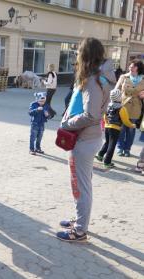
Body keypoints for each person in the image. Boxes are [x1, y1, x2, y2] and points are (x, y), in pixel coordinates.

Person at [58, 38, 116, 242]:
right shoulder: (101, 76)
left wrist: (67, 124)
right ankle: (79, 219)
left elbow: (91, 115)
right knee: (83, 183)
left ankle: (80, 230)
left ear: (86, 55)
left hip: (84, 139)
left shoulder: (93, 80)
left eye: (79, 52)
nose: (77, 55)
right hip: (90, 137)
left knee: (81, 185)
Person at [95, 89, 135, 168]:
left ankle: (100, 155)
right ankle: (107, 162)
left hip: (107, 127)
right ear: (120, 98)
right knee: (112, 145)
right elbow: (125, 120)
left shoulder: (108, 106)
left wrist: (106, 124)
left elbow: (104, 116)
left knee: (107, 142)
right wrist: (132, 125)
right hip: (115, 128)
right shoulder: (122, 108)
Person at [115, 59, 144, 157]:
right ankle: (120, 147)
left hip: (136, 108)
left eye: (133, 66)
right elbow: (116, 91)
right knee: (121, 128)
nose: (130, 68)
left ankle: (127, 148)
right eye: (130, 66)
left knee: (131, 130)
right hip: (123, 106)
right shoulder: (123, 77)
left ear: (138, 68)